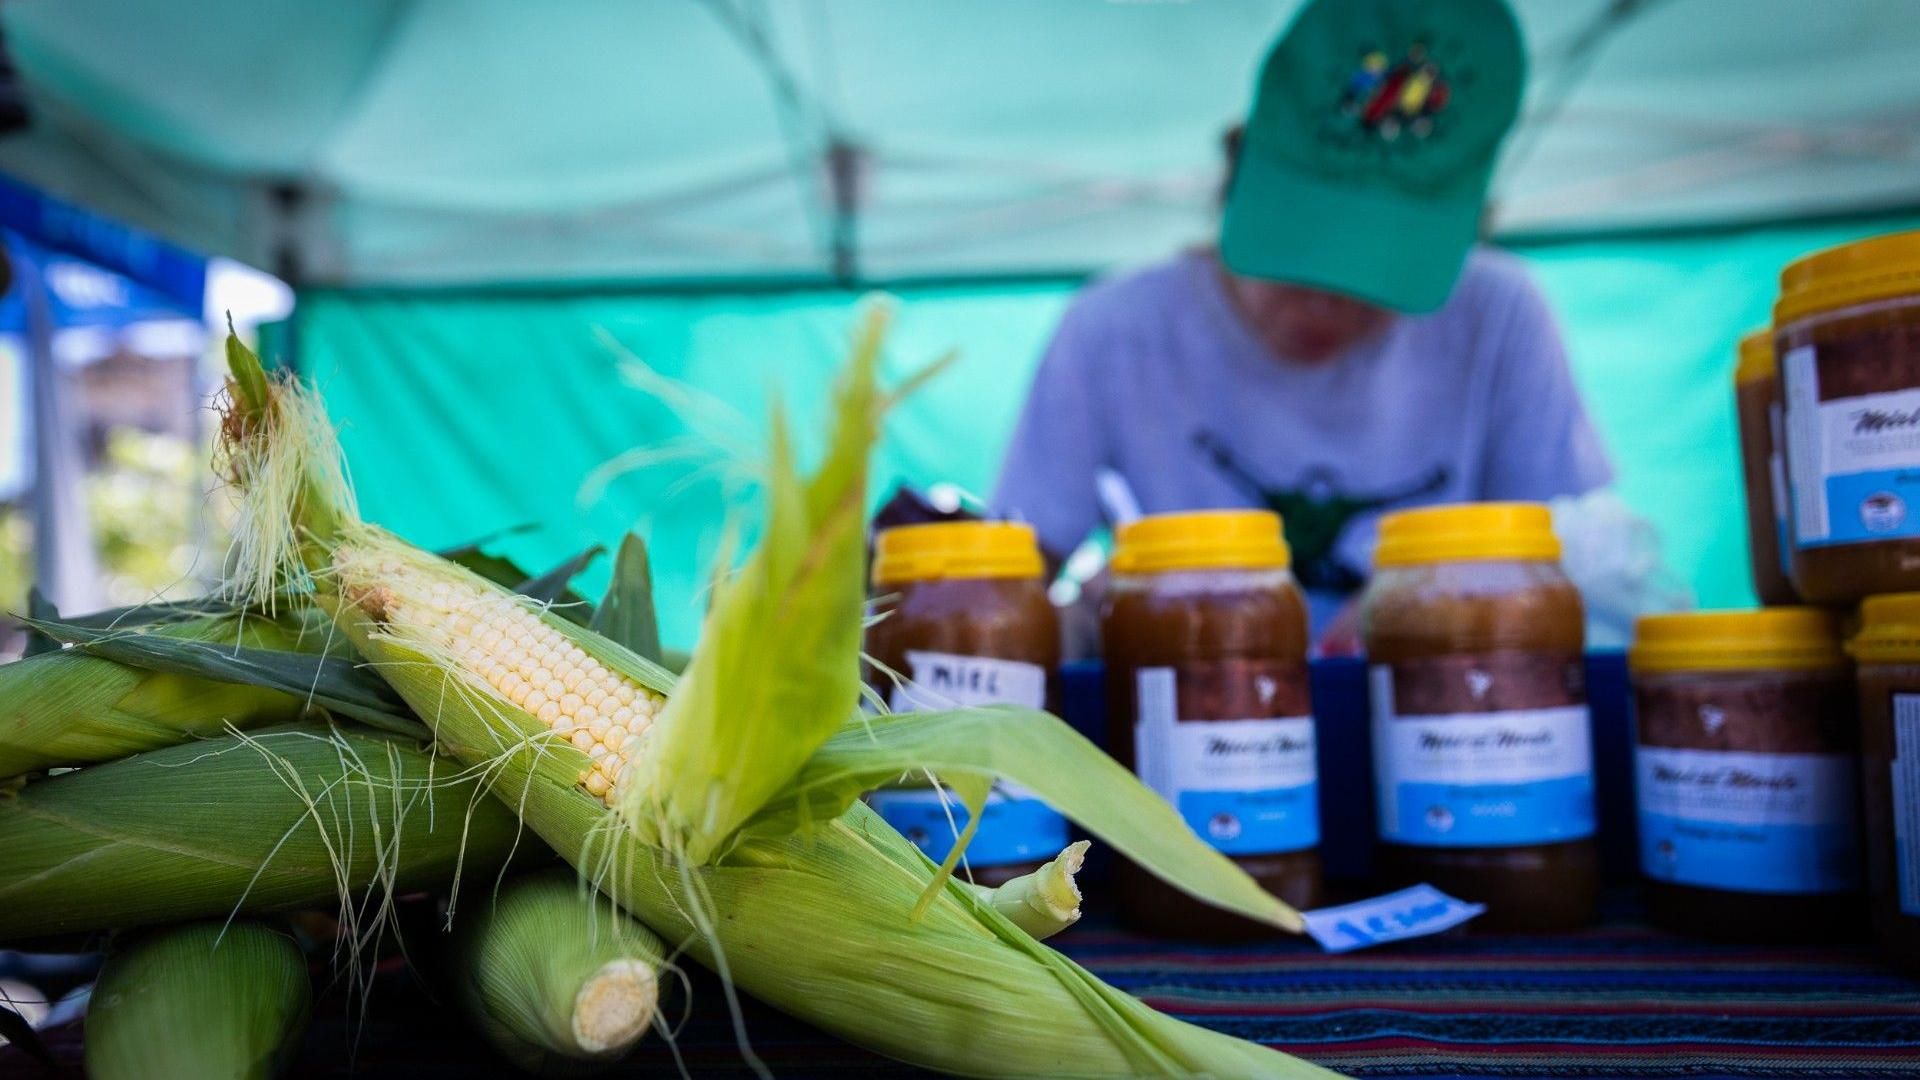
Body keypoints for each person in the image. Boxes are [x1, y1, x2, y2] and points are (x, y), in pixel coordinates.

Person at [991, 0, 1610, 650]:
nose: (1326, 300)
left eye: (1379, 272)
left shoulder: (1498, 313)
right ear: (1234, 183)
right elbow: (1014, 572)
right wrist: (1078, 627)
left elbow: (1576, 548)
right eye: (1298, 251)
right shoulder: (1112, 328)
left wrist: (1431, 599)